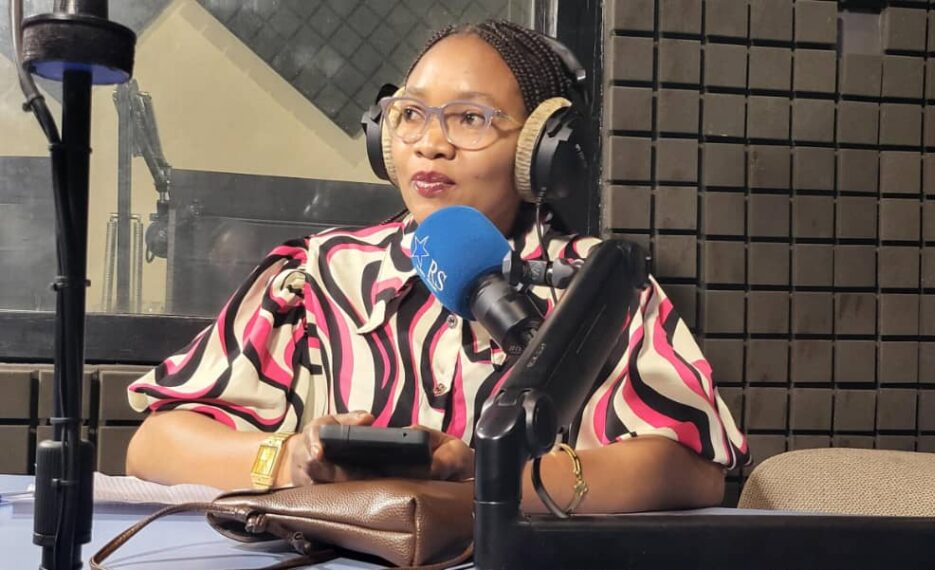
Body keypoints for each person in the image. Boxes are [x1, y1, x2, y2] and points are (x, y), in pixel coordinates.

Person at [125, 19, 748, 514]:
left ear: (542, 151)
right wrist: (288, 461)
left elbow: (692, 471)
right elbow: (154, 444)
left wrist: (486, 482)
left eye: (470, 118)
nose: (430, 143)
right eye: (411, 115)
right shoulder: (315, 275)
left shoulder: (596, 286)